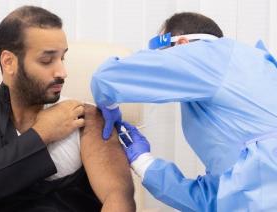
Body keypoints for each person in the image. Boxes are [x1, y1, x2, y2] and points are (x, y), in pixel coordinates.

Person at [0, 6, 135, 212]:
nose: (62, 72)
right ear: (9, 62)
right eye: (47, 60)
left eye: (62, 58)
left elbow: (118, 198)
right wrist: (41, 134)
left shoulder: (84, 117)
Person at [91, 12, 277, 211]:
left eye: (162, 54)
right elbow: (212, 201)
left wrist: (109, 106)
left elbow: (106, 77)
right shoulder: (252, 71)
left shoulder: (210, 55)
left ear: (180, 44)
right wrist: (143, 163)